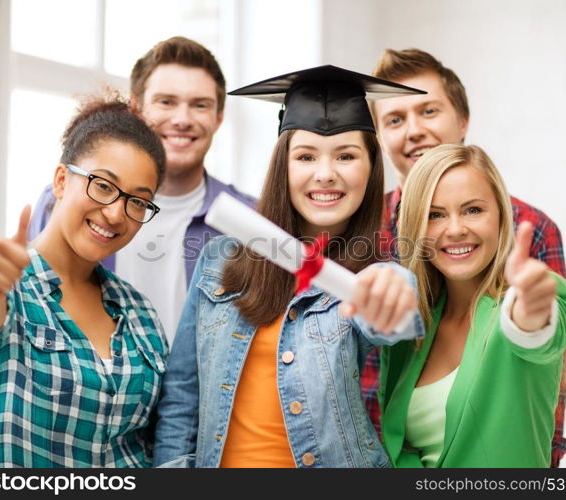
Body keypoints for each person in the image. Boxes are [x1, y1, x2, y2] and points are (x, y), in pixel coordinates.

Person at [153, 65, 426, 468]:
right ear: (284, 165)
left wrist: (391, 291)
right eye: (306, 156)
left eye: (347, 156)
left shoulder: (379, 269)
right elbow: (182, 395)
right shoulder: (220, 262)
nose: (325, 174)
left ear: (371, 168)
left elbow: (390, 315)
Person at [361, 48, 566, 466]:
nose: (414, 130)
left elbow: (539, 358)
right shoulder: (365, 235)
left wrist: (530, 309)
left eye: (429, 110)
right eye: (395, 120)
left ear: (462, 119)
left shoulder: (531, 227)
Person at [0, 94, 169, 467]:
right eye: (103, 185)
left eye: (138, 201)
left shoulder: (140, 313)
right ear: (61, 180)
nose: (117, 213)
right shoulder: (4, 288)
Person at [28, 37, 254, 345]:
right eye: (166, 102)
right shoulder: (66, 202)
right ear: (136, 107)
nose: (182, 119)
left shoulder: (250, 221)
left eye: (200, 105)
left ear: (218, 117)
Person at [379, 144, 566, 467]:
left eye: (473, 210)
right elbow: (397, 447)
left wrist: (529, 308)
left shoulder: (519, 303)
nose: (456, 229)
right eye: (435, 214)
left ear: (501, 216)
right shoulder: (412, 328)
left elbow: (534, 331)